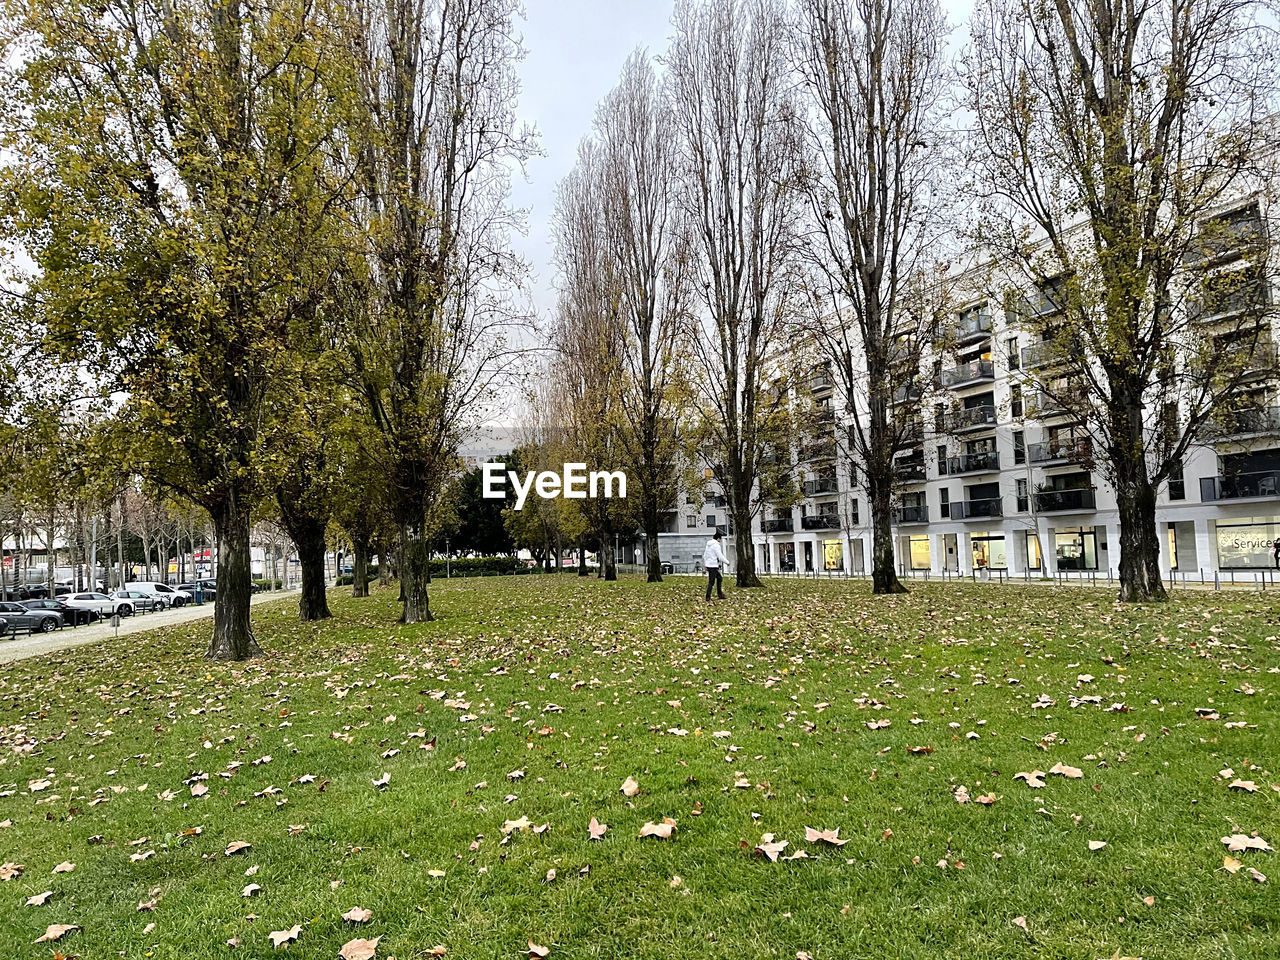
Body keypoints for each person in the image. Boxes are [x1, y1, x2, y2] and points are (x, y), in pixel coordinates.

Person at [703, 530, 728, 601]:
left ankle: (720, 594)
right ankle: (708, 597)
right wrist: (727, 562)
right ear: (718, 539)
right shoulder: (716, 545)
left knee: (719, 578)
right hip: (713, 565)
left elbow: (705, 555)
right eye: (720, 539)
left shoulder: (708, 545)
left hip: (709, 565)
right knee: (711, 582)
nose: (721, 541)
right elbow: (720, 556)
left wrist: (706, 564)